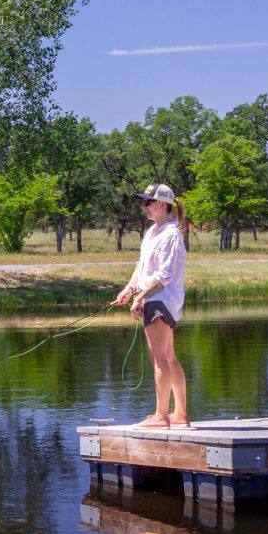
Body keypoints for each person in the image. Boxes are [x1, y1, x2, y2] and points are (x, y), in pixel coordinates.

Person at [111, 183, 189, 428]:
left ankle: (161, 416)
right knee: (168, 357)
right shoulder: (152, 232)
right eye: (143, 202)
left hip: (161, 300)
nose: (144, 207)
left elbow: (164, 276)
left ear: (163, 205)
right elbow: (141, 267)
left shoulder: (171, 234)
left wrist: (140, 298)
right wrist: (129, 289)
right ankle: (180, 415)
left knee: (159, 358)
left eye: (149, 202)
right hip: (153, 297)